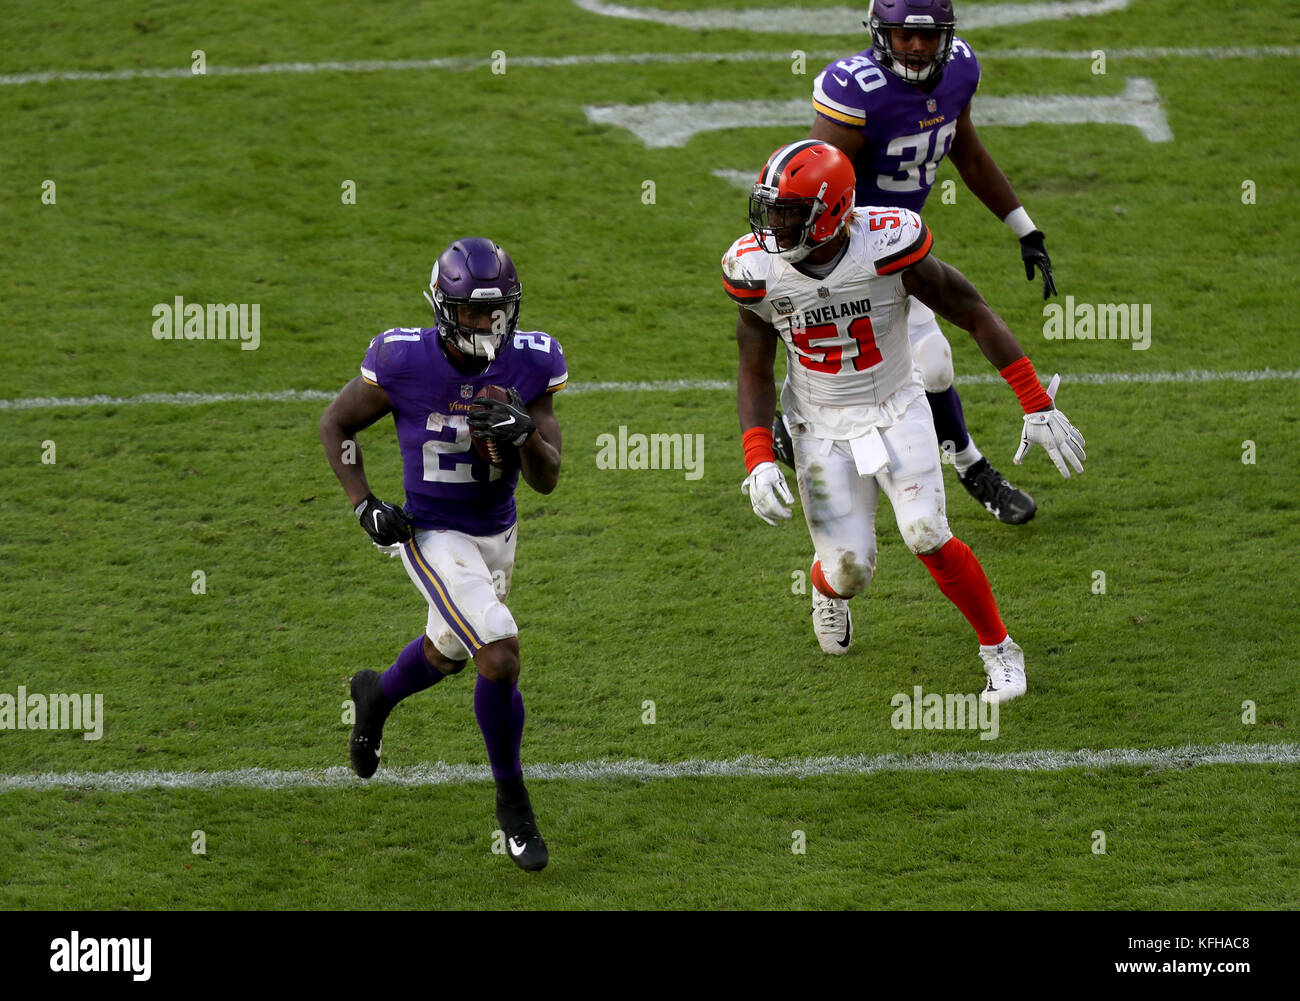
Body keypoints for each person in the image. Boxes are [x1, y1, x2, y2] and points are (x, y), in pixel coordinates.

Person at [724, 140, 1084, 700]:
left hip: (897, 405)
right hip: (818, 427)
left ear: (835, 211)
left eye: (791, 214)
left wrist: (1033, 397)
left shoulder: (887, 245)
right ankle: (825, 588)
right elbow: (755, 370)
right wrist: (758, 456)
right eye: (772, 211)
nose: (776, 226)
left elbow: (971, 310)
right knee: (849, 572)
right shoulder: (755, 269)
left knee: (925, 531)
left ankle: (1000, 651)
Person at [318, 237, 566, 871]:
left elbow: (548, 478)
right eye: (473, 313)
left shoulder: (531, 363)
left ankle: (376, 695)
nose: (487, 325)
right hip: (431, 534)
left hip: (498, 534)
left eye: (497, 311)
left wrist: (526, 435)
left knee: (448, 652)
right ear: (442, 309)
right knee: (499, 653)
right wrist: (363, 502)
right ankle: (514, 805)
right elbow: (336, 425)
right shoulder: (402, 361)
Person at [775, 0, 1057, 526]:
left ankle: (969, 467)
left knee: (935, 364)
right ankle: (971, 467)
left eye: (928, 37)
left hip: (901, 248)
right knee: (920, 363)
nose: (917, 47)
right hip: (851, 250)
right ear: (881, 33)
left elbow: (966, 151)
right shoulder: (857, 91)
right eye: (904, 35)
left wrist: (1024, 226)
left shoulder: (960, 71)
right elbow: (809, 187)